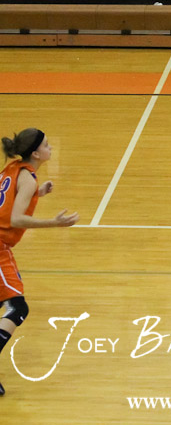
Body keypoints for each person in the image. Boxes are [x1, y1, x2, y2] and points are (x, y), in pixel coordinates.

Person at [0, 129, 79, 398]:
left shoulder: (14, 168)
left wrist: (36, 194)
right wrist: (54, 223)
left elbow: (7, 201)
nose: (51, 148)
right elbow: (17, 220)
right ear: (36, 153)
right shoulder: (28, 180)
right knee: (17, 307)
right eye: (47, 145)